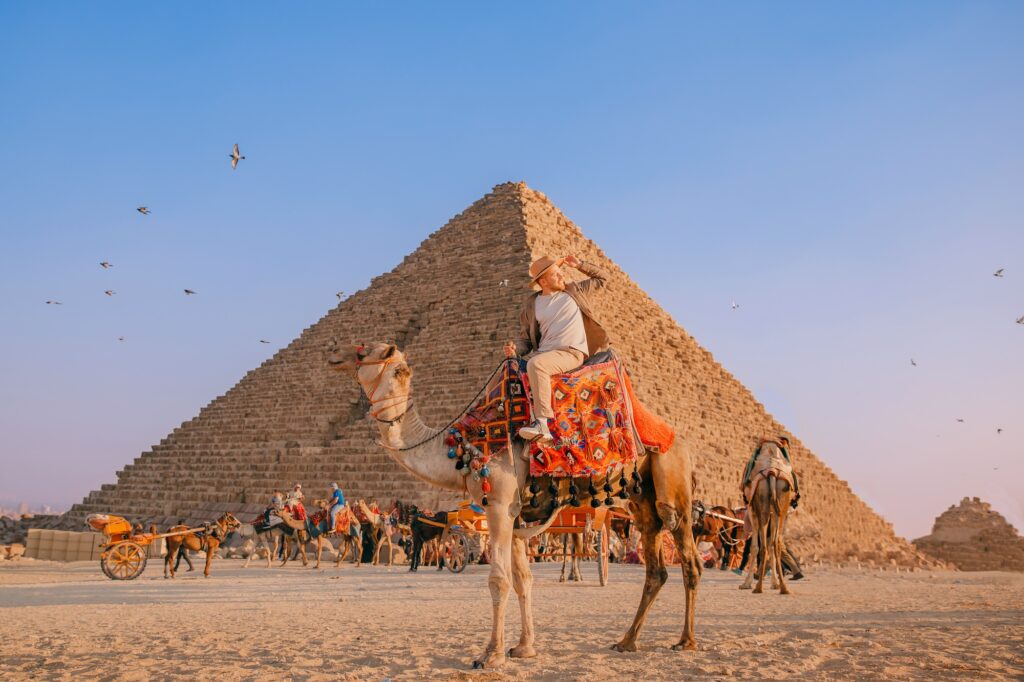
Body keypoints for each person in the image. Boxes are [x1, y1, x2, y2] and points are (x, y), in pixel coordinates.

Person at [504, 254, 610, 443]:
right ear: (543, 281)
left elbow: (603, 279)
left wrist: (580, 264)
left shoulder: (574, 291)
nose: (562, 276)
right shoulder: (532, 304)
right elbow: (525, 341)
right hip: (544, 352)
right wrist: (515, 350)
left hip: (570, 352)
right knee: (505, 371)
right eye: (556, 274)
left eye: (561, 272)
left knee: (537, 365)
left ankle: (543, 422)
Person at [741, 436, 801, 508]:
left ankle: (746, 483)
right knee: (792, 472)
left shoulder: (778, 448)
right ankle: (796, 492)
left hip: (768, 461)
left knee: (750, 464)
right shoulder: (778, 448)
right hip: (775, 462)